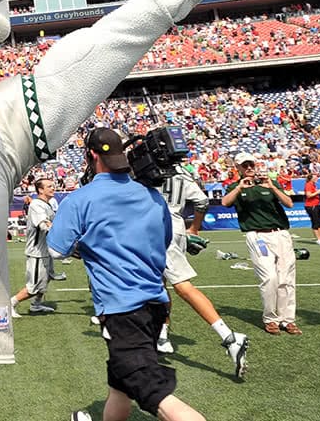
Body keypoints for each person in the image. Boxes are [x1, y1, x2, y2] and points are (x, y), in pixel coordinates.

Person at [48, 128, 205, 421]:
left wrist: (91, 245)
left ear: (91, 155)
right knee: (119, 387)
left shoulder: (80, 199)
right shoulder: (152, 196)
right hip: (156, 305)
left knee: (153, 393)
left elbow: (57, 250)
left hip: (122, 310)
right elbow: (164, 239)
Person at [158, 167, 249, 379]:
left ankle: (229, 337)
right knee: (159, 284)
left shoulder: (145, 169)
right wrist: (194, 228)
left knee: (182, 286)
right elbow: (201, 201)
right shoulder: (180, 172)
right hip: (176, 225)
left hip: (160, 227)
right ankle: (162, 332)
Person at [221, 153, 300, 336]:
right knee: (269, 277)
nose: (249, 168)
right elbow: (225, 202)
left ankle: (288, 320)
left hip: (280, 233)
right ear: (238, 168)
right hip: (257, 236)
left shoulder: (269, 183)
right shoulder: (236, 187)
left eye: (251, 164)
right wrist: (240, 188)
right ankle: (271, 318)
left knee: (286, 278)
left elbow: (288, 203)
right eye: (244, 165)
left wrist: (272, 187)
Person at [10, 178, 58, 317]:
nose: (53, 188)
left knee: (46, 278)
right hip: (37, 252)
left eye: (53, 185)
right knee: (34, 285)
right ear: (40, 190)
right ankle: (11, 303)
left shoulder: (46, 205)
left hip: (45, 250)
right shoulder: (37, 205)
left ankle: (36, 305)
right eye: (49, 186)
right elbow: (44, 225)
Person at [303, 173, 320, 246]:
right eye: (315, 177)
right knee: (315, 222)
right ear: (311, 178)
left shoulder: (313, 185)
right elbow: (308, 195)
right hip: (311, 206)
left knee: (319, 222)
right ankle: (318, 239)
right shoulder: (308, 184)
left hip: (316, 204)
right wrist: (318, 192)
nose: (317, 178)